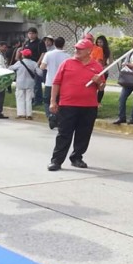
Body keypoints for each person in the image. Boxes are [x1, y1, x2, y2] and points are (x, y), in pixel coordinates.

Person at [47, 38, 105, 171]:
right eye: (76, 48)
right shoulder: (67, 63)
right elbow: (56, 83)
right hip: (68, 104)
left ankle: (77, 157)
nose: (76, 50)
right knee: (64, 133)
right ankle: (56, 160)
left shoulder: (96, 66)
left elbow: (101, 88)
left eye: (80, 49)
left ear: (89, 51)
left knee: (84, 133)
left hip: (89, 106)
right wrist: (53, 101)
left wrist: (98, 82)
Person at [40, 37, 70, 124]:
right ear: (63, 44)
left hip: (50, 82)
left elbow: (42, 66)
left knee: (47, 100)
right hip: (62, 83)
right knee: (59, 101)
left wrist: (49, 67)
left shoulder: (48, 54)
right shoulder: (67, 56)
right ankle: (58, 118)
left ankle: (50, 115)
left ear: (54, 44)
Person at [9, 48, 39, 120]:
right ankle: (29, 114)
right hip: (30, 83)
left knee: (20, 98)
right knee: (28, 99)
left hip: (20, 83)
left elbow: (11, 68)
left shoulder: (19, 63)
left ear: (23, 55)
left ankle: (21, 113)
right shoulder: (34, 63)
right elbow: (40, 72)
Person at [22, 27, 46, 107]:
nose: (31, 35)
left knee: (37, 83)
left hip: (35, 64)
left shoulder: (40, 43)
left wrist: (38, 63)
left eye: (32, 33)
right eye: (29, 33)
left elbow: (43, 53)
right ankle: (31, 99)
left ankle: (38, 100)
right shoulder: (26, 43)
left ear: (36, 34)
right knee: (30, 83)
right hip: (27, 65)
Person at [95, 35, 111, 104]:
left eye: (101, 42)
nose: (99, 44)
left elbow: (111, 62)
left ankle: (98, 102)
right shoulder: (94, 49)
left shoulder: (107, 51)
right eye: (98, 42)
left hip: (104, 71)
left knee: (101, 86)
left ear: (104, 43)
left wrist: (105, 67)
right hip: (95, 70)